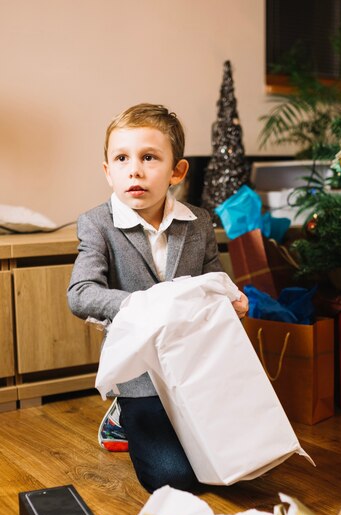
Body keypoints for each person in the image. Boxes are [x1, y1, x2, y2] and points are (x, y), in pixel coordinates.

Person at [67, 103, 249, 493]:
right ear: (107, 171)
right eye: (122, 158)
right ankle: (121, 416)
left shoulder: (199, 222)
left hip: (194, 367)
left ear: (176, 171)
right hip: (140, 376)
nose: (134, 169)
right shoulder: (96, 224)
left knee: (240, 467)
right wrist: (141, 304)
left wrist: (231, 301)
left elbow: (213, 280)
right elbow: (81, 294)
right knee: (176, 481)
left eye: (149, 157)